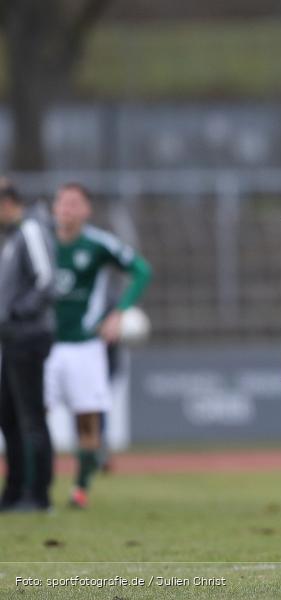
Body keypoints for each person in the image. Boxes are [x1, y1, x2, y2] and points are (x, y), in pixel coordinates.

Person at [45, 183, 152, 508]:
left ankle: (80, 488)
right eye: (63, 202)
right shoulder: (41, 242)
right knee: (31, 417)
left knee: (86, 420)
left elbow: (142, 270)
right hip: (42, 345)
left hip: (84, 345)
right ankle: (32, 488)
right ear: (54, 208)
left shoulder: (97, 243)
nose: (68, 209)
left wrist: (118, 313)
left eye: (75, 203)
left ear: (86, 210)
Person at [0, 181, 56, 512]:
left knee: (30, 417)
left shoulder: (31, 230)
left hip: (28, 336)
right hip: (11, 339)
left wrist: (19, 312)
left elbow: (46, 279)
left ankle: (38, 495)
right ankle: (15, 490)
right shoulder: (13, 237)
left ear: (8, 202)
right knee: (7, 415)